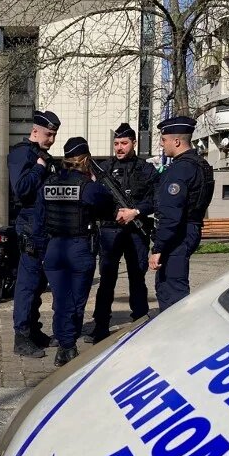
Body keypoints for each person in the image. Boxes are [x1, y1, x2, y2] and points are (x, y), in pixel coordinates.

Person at [123, 116, 209, 312]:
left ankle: (175, 328)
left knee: (171, 289)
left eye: (163, 140)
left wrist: (158, 248)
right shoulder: (199, 164)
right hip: (189, 229)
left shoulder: (180, 170)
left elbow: (171, 214)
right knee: (172, 284)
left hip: (177, 235)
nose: (162, 145)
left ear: (176, 141)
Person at [84, 123, 159, 344]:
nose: (119, 147)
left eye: (124, 143)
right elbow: (95, 199)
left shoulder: (146, 169)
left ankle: (140, 322)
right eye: (116, 143)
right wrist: (113, 212)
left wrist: (135, 211)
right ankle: (100, 326)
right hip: (110, 229)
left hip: (137, 230)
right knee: (107, 278)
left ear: (134, 143)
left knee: (137, 277)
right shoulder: (104, 168)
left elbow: (156, 198)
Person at [41, 137, 113, 367]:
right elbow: (108, 205)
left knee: (61, 300)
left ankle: (63, 342)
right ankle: (68, 346)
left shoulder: (49, 183)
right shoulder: (87, 187)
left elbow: (40, 216)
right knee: (76, 301)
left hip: (54, 249)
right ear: (86, 159)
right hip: (78, 248)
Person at [9, 109, 61, 358]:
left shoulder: (43, 157)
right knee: (27, 284)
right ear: (35, 131)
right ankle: (21, 337)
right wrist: (39, 169)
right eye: (48, 134)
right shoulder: (22, 153)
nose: (51, 139)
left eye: (54, 135)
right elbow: (20, 189)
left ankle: (33, 330)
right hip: (30, 227)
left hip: (44, 227)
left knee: (39, 283)